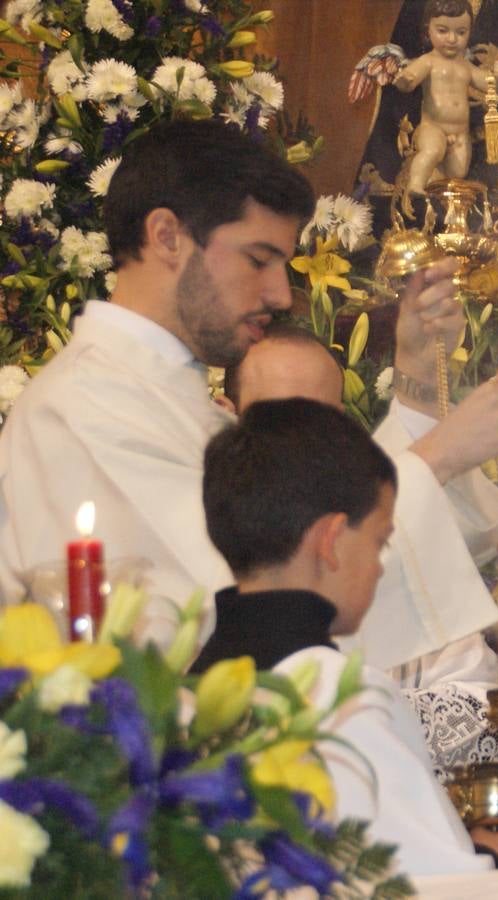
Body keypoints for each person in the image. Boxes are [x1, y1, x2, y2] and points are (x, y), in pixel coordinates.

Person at [193, 398, 498, 872]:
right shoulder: (338, 696)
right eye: (379, 541)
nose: (379, 569)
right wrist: (496, 861)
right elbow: (422, 884)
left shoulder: (190, 688)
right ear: (331, 542)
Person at [0, 118, 313, 617]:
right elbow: (237, 608)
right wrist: (435, 455)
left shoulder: (151, 391)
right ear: (167, 237)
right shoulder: (86, 410)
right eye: (258, 260)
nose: (280, 294)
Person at [223, 324, 498, 776]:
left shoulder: (397, 537)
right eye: (278, 421)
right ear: (229, 420)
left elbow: (480, 702)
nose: (300, 447)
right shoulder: (205, 542)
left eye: (319, 422)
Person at [388, 0, 498, 193]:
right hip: (433, 127)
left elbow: (491, 85)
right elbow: (411, 77)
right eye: (442, 31)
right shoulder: (428, 61)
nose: (452, 39)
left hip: (461, 132)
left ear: (469, 32)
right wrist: (405, 80)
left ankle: (438, 187)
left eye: (461, 32)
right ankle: (415, 184)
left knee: (459, 172)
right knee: (432, 151)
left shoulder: (466, 66)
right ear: (427, 30)